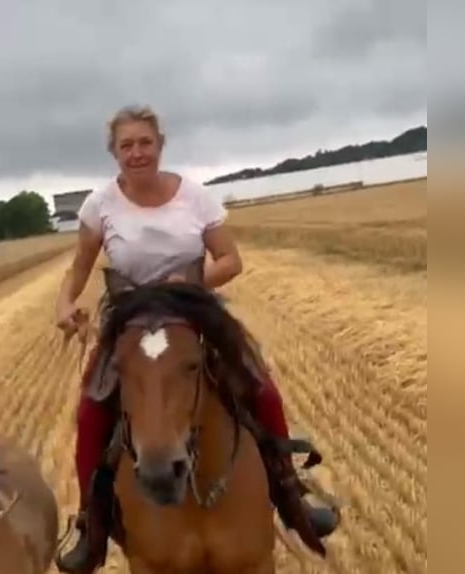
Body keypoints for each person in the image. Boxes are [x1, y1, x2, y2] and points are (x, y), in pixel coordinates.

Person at [54, 105, 338, 574]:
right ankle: (91, 521)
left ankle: (291, 493)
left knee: (259, 386)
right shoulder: (99, 205)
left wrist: (183, 286)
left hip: (193, 314)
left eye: (145, 142)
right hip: (129, 321)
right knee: (91, 408)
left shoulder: (195, 197)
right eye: (126, 145)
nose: (137, 152)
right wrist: (65, 306)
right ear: (114, 153)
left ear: (160, 145)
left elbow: (230, 259)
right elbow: (79, 268)